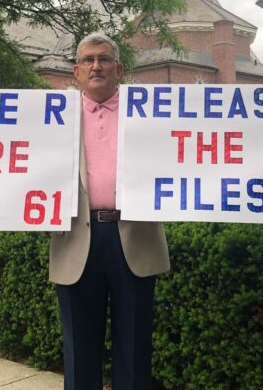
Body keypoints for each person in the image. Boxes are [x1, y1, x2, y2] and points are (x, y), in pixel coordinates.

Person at [49, 32, 170, 390]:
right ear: (76, 71)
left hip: (135, 238)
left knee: (134, 350)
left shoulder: (149, 111)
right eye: (88, 60)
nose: (96, 66)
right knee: (78, 350)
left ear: (118, 69)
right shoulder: (55, 116)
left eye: (103, 59)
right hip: (76, 239)